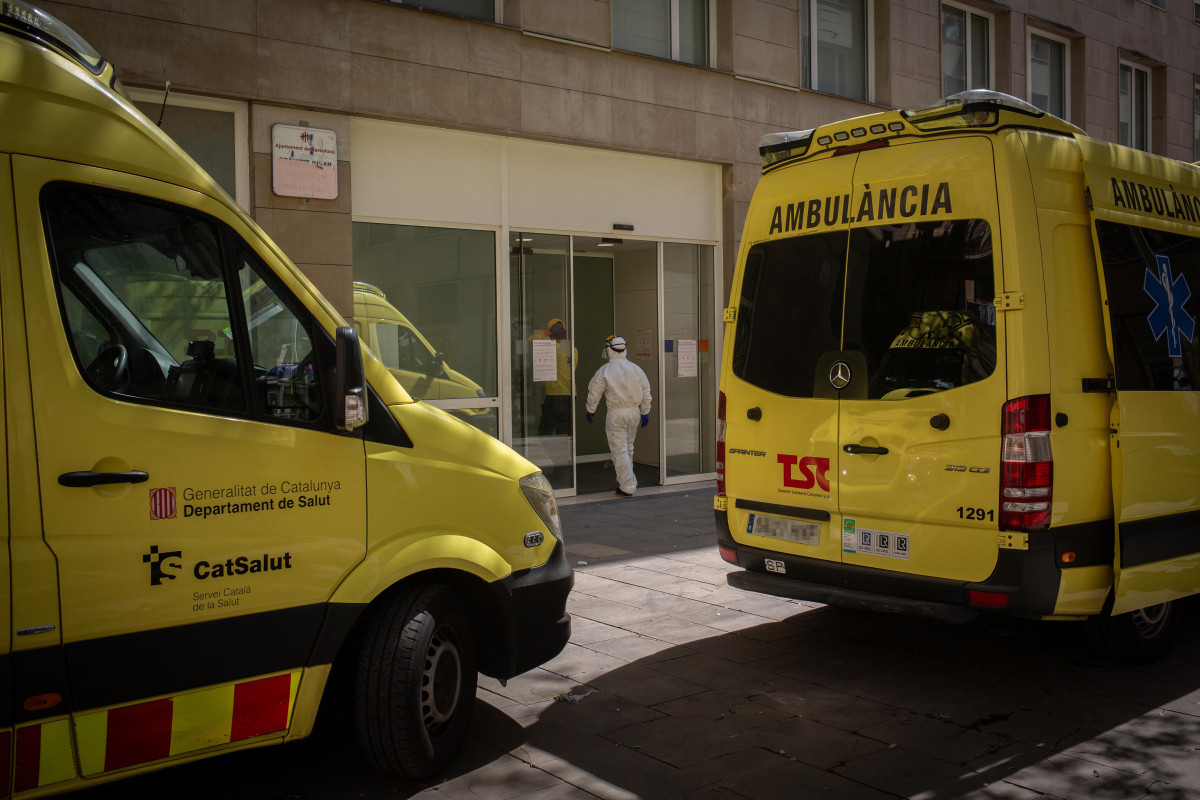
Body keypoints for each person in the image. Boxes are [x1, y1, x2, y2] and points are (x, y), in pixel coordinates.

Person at [586, 335, 652, 497]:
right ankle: (628, 481)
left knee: (619, 451)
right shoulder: (636, 369)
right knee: (628, 448)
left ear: (609, 350)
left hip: (616, 414)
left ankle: (627, 486)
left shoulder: (605, 370)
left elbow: (595, 392)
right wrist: (645, 412)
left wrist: (590, 409)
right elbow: (646, 392)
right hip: (634, 413)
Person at [533, 318, 575, 436]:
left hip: (555, 394)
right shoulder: (573, 350)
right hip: (570, 393)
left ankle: (549, 454)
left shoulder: (553, 348)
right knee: (564, 430)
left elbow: (533, 339)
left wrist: (546, 332)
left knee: (545, 430)